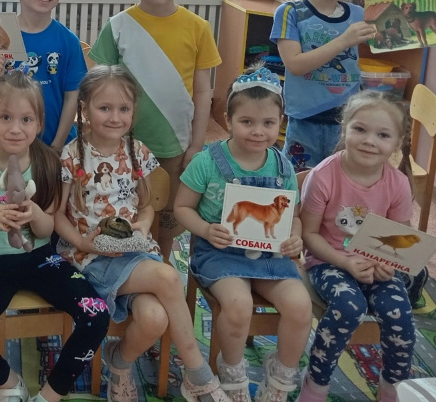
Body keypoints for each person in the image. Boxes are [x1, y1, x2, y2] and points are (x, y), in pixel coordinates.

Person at [57, 66, 228, 402]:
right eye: (104, 108)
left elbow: (147, 206)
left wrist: (144, 224)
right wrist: (80, 242)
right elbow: (56, 216)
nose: (115, 117)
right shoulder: (71, 155)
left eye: (124, 108)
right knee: (168, 277)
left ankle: (119, 365)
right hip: (91, 258)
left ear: (134, 110)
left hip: (135, 252)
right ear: (85, 109)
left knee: (154, 318)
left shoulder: (137, 152)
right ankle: (199, 375)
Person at [0, 72, 110, 402]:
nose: (15, 128)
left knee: (97, 315)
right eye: (5, 118)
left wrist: (35, 213)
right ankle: (9, 383)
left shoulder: (47, 163)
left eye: (26, 119)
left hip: (41, 258)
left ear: (39, 123)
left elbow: (46, 230)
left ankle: (51, 394)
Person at [174, 68, 311, 402]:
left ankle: (280, 379)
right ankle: (233, 375)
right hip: (220, 254)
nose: (258, 131)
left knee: (300, 305)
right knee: (238, 304)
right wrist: (206, 229)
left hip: (270, 256)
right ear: (228, 120)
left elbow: (293, 217)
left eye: (268, 123)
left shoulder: (283, 167)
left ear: (281, 122)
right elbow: (182, 207)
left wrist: (295, 237)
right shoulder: (207, 162)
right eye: (247, 121)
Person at [90, 0, 221, 258]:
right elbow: (97, 86)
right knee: (122, 207)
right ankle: (123, 267)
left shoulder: (199, 28)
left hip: (174, 143)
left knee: (167, 215)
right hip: (123, 142)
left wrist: (196, 144)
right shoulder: (118, 27)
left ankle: (161, 264)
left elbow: (203, 92)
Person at [272, 0, 436, 169]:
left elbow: (404, 30)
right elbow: (295, 65)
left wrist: (434, 4)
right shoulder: (289, 12)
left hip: (347, 120)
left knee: (344, 178)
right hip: (304, 119)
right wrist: (344, 40)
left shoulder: (358, 14)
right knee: (299, 179)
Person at [298, 92, 417, 402]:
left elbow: (400, 240)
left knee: (400, 315)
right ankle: (315, 382)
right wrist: (345, 262)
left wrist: (388, 263)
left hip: (376, 265)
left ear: (398, 142)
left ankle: (392, 387)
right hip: (328, 261)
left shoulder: (398, 183)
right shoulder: (323, 176)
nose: (369, 141)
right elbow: (309, 234)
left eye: (383, 135)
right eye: (360, 129)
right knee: (349, 306)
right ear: (344, 129)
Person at [0, 0, 85, 152]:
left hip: (56, 145)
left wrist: (57, 145)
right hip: (11, 144)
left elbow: (72, 97)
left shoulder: (69, 42)